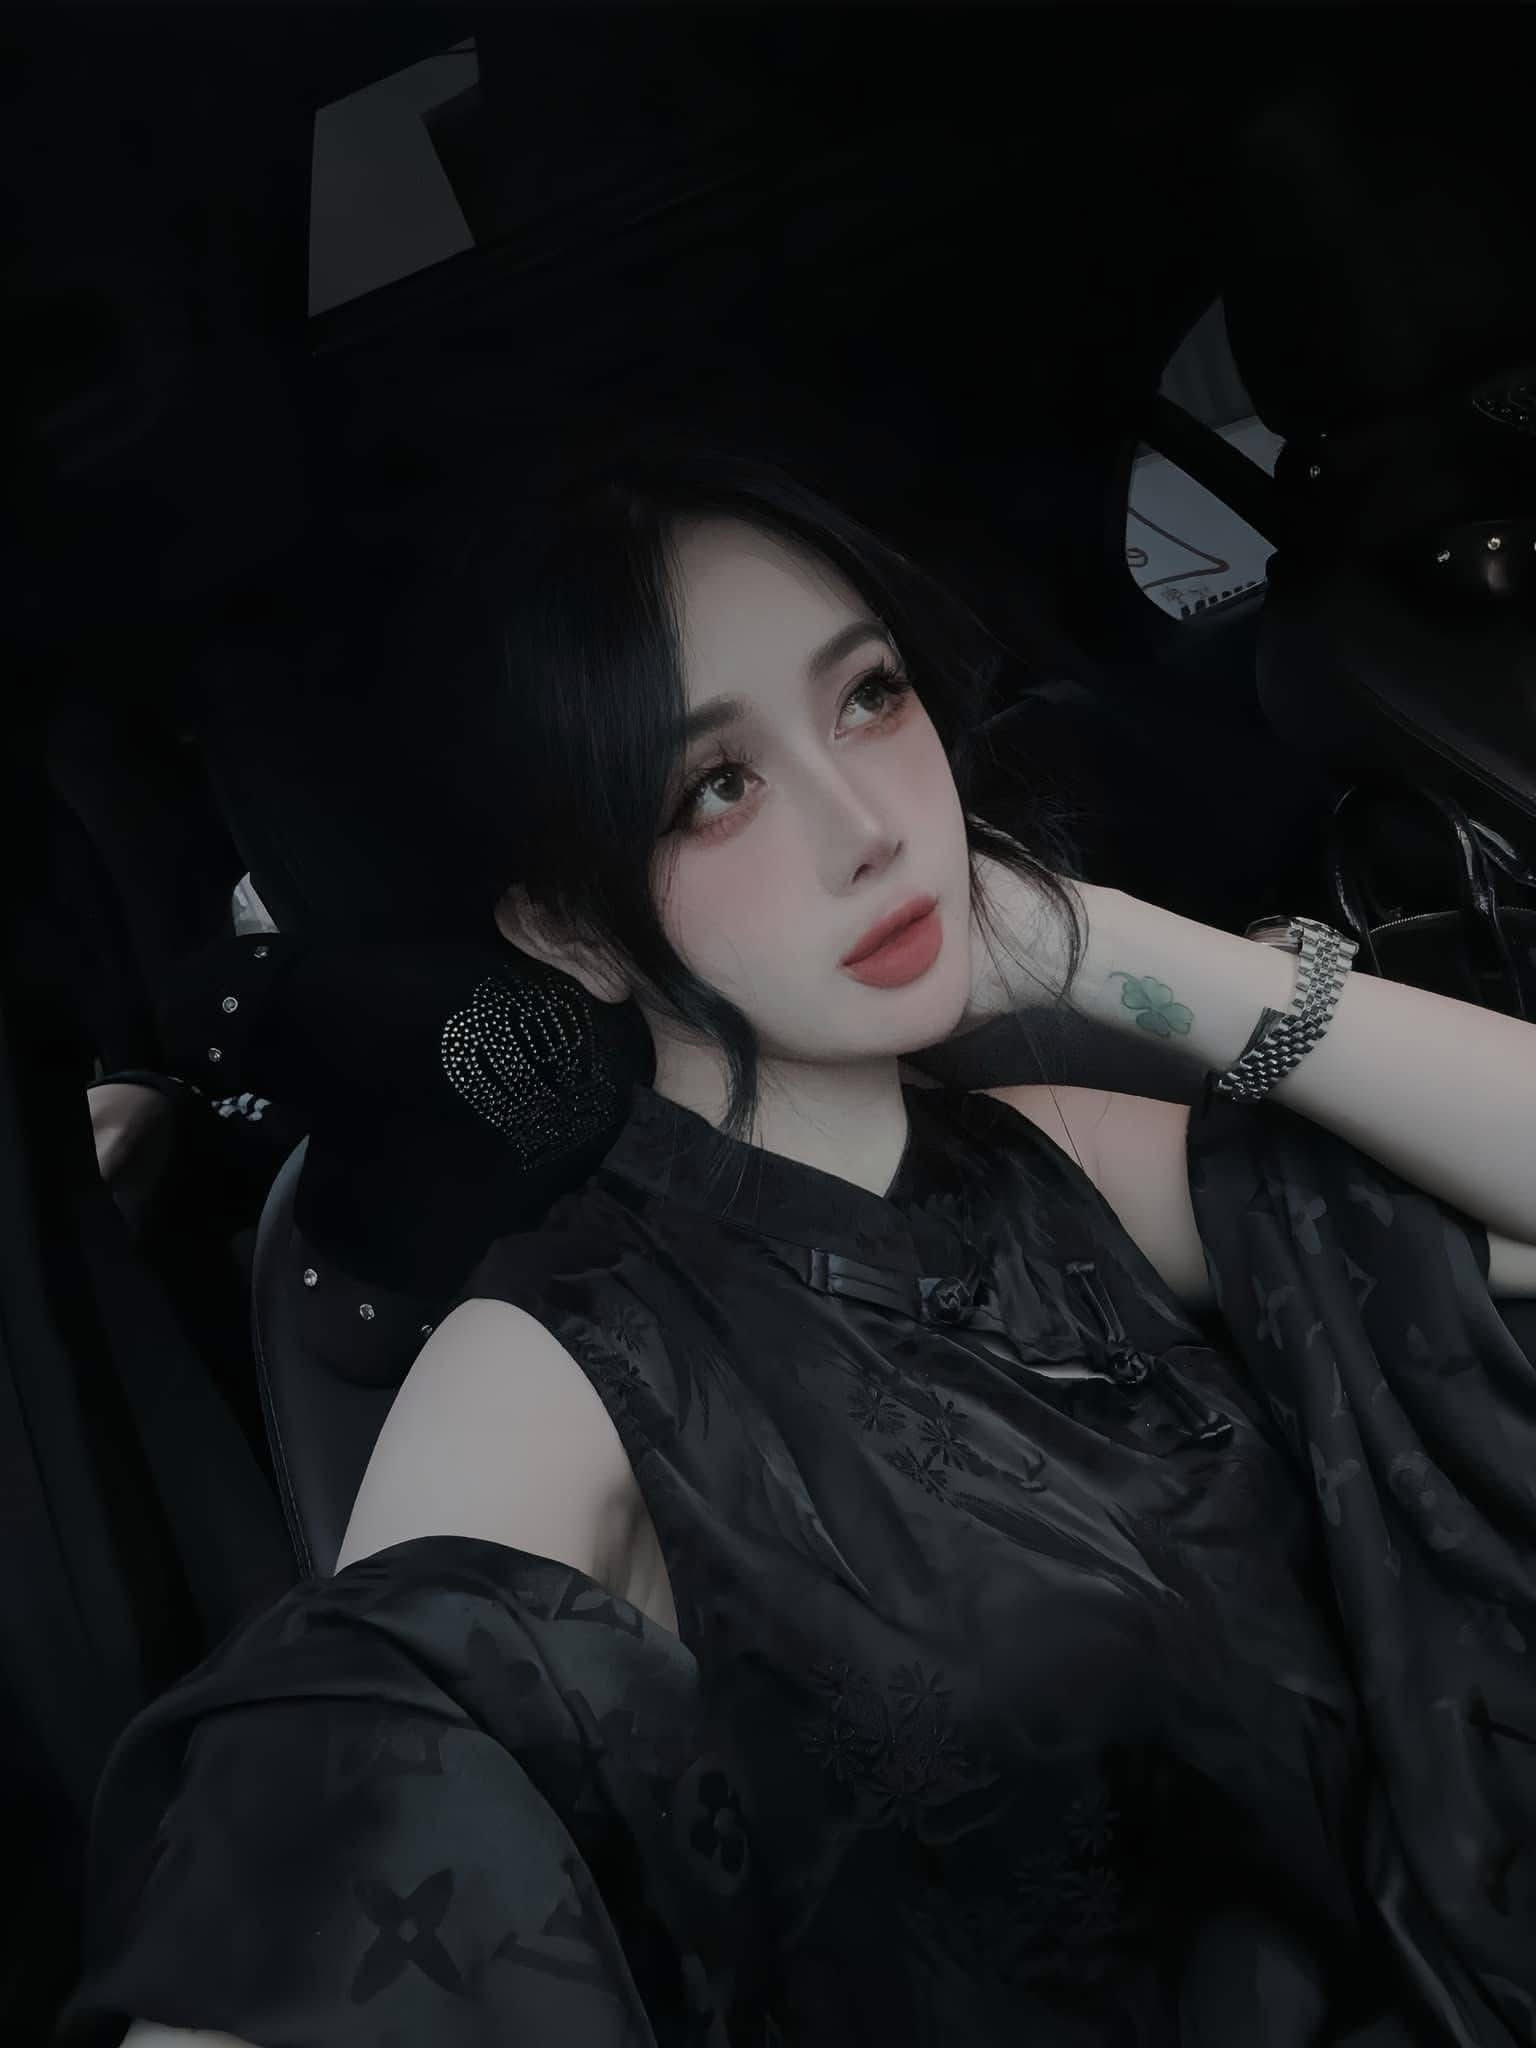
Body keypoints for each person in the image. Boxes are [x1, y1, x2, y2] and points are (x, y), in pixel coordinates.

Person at [66, 438, 1536, 2048]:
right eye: (715, 787)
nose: (864, 827)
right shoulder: (552, 1366)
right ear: (571, 927)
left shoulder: (1049, 1156)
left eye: (870, 697)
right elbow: (328, 1890)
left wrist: (1097, 942)